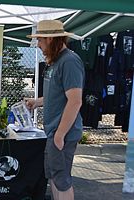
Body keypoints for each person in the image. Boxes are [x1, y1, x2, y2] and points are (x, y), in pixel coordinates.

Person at [26, 20, 84, 200]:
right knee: (54, 178)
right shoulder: (56, 62)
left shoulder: (69, 61)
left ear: (50, 39)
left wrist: (60, 134)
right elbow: (58, 95)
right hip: (54, 132)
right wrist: (36, 102)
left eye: (40, 40)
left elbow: (75, 101)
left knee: (61, 180)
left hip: (62, 134)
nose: (38, 45)